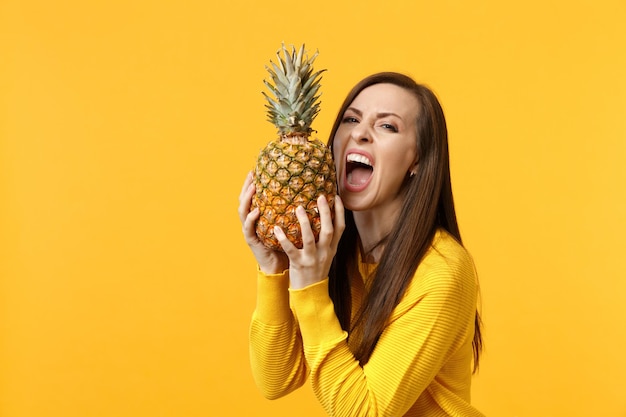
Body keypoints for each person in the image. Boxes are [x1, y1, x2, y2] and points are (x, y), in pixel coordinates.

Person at [238, 72, 484, 417]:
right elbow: (276, 380)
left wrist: (309, 286)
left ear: (416, 160)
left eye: (387, 127)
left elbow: (366, 413)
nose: (360, 133)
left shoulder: (441, 270)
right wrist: (273, 269)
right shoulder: (332, 252)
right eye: (351, 119)